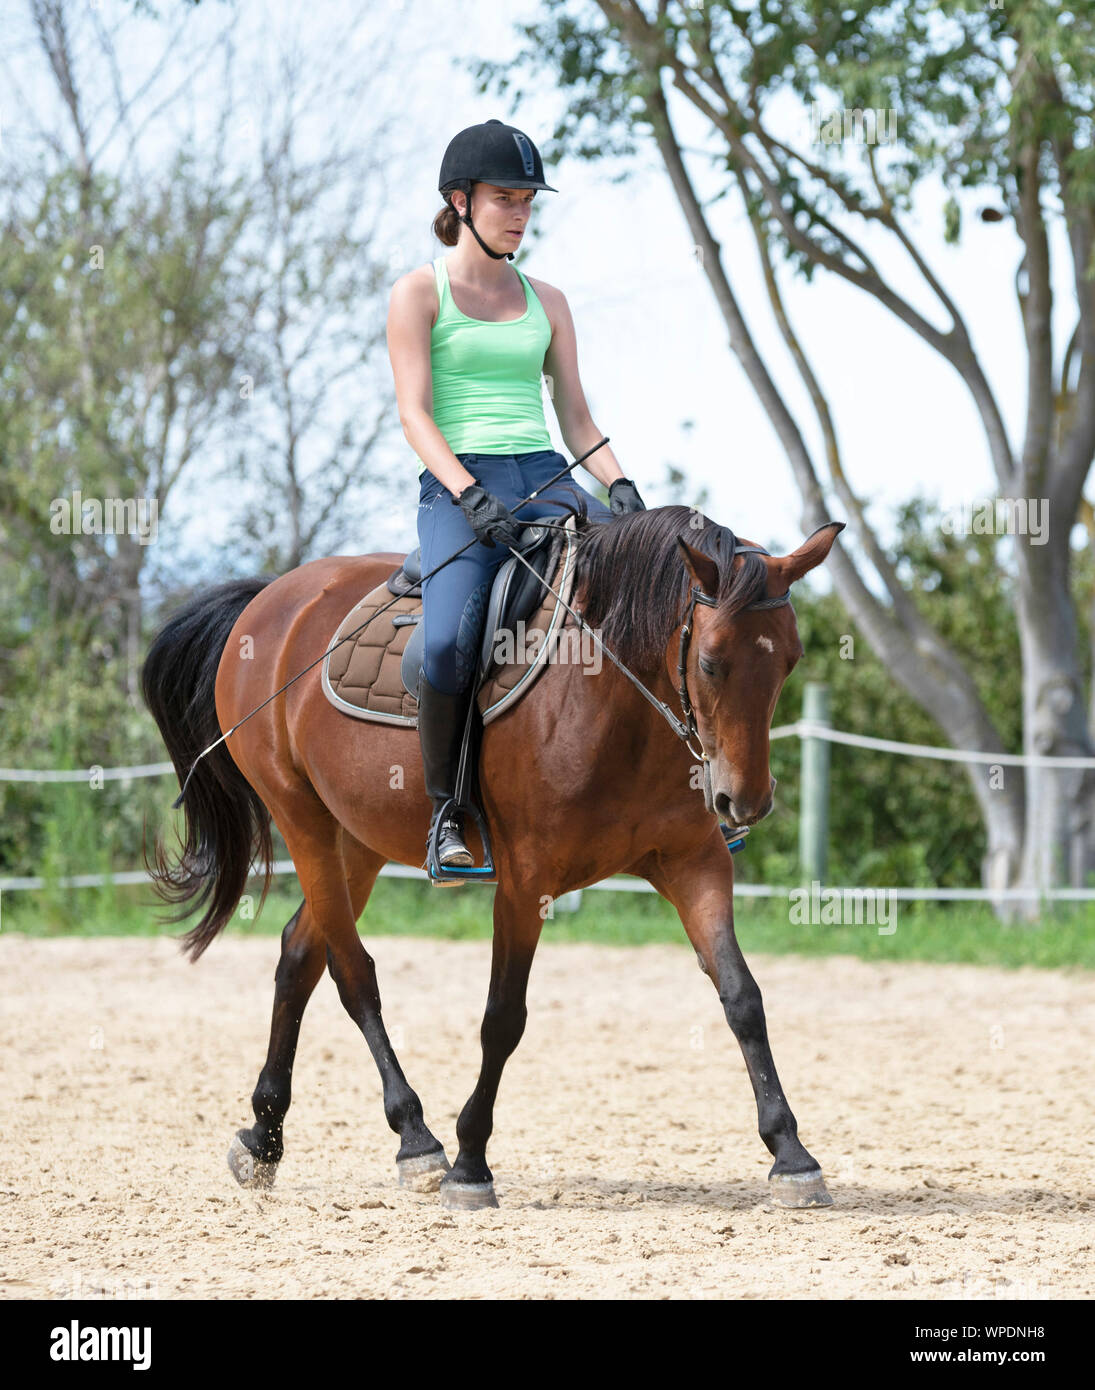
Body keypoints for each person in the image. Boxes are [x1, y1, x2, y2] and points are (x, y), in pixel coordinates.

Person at [386, 118, 646, 878]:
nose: (520, 214)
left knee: (648, 601)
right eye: (506, 198)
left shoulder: (549, 301)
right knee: (445, 646)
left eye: (528, 201)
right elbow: (414, 413)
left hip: (546, 478)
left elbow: (577, 420)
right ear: (460, 201)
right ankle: (448, 815)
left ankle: (669, 796)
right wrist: (468, 496)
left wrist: (619, 483)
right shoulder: (417, 293)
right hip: (457, 486)